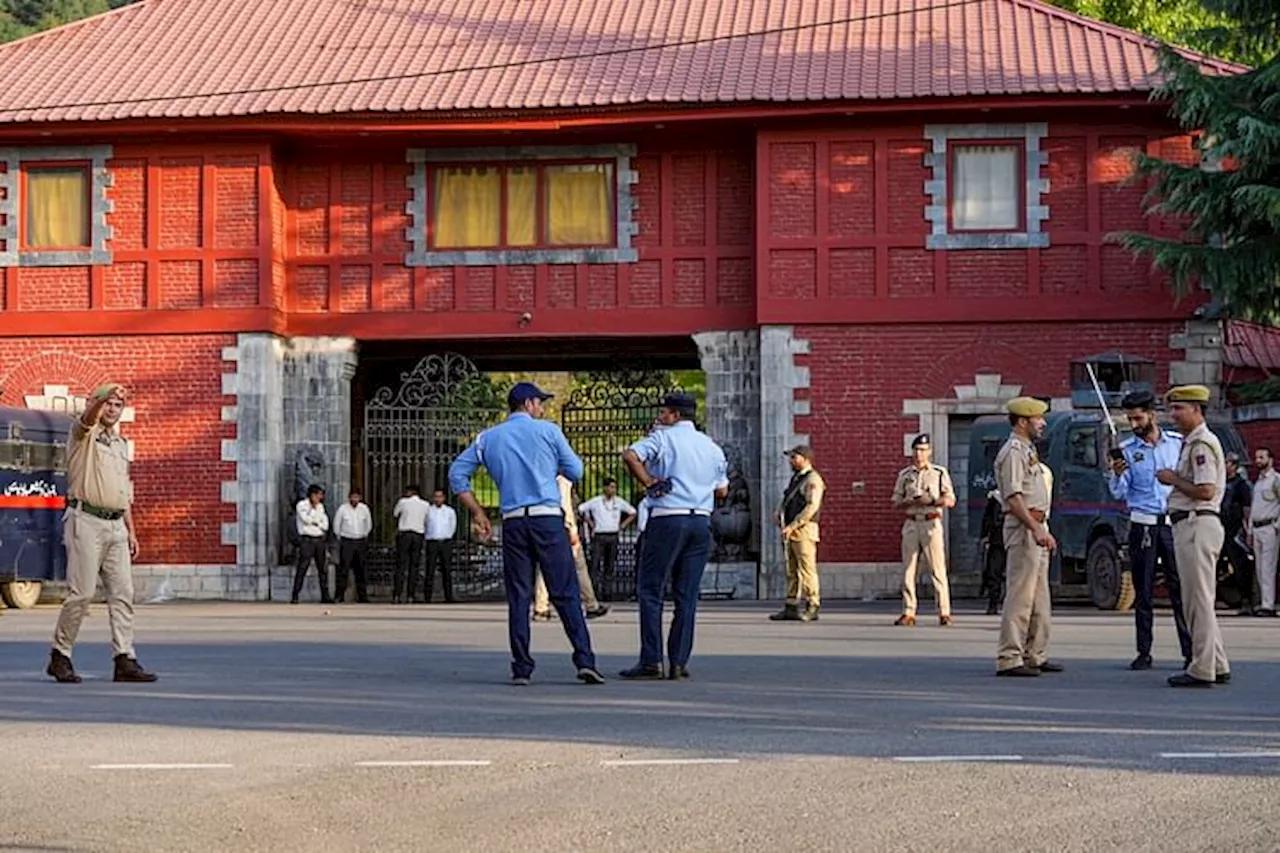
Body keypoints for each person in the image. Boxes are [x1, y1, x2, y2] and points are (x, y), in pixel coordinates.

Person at [449, 382, 604, 686]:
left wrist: (478, 512)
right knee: (565, 591)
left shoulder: (488, 438)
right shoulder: (548, 431)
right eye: (540, 403)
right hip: (547, 519)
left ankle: (522, 666)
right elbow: (576, 471)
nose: (542, 408)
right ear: (530, 403)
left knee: (519, 595)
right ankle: (585, 660)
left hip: (514, 521)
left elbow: (457, 474)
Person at [46, 383, 157, 684]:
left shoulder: (120, 444)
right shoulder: (83, 435)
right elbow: (87, 419)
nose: (111, 409)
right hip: (86, 520)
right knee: (81, 593)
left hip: (116, 525)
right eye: (107, 403)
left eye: (118, 405)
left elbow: (123, 493)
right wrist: (99, 400)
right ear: (96, 404)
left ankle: (124, 658)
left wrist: (131, 531)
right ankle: (61, 654)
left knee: (123, 593)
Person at [619, 392, 728, 680]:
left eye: (664, 412)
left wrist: (649, 480)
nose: (660, 417)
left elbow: (630, 455)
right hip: (700, 521)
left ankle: (651, 660)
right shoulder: (711, 447)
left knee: (651, 589)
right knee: (687, 594)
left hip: (668, 516)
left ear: (675, 415)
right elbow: (722, 490)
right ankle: (679, 660)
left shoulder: (662, 438)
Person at [1106, 389, 1192, 671]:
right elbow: (1119, 493)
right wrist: (1117, 473)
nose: (1134, 424)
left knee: (1180, 589)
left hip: (1172, 524)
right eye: (1130, 419)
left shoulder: (1177, 444)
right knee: (1143, 590)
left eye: (1138, 418)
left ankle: (1190, 649)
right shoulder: (1129, 450)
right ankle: (1144, 651)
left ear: (1152, 415)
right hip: (1142, 524)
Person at [1158, 384, 1231, 687]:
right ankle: (1217, 661)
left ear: (1196, 410)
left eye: (1179, 408)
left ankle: (1201, 668)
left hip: (1196, 523)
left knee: (1197, 600)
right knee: (1200, 598)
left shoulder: (1201, 444)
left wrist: (1172, 479)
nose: (1173, 415)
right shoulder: (1193, 442)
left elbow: (1206, 489)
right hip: (1192, 524)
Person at [994, 397, 1062, 677]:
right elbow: (1013, 496)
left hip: (1036, 525)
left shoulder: (1028, 450)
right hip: (1024, 528)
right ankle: (1010, 656)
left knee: (1039, 598)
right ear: (1023, 422)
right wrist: (1034, 527)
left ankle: (1034, 653)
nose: (1043, 423)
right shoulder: (1013, 451)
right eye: (1038, 418)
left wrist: (1042, 526)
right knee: (1021, 595)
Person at [891, 433, 957, 627]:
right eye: (916, 450)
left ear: (929, 452)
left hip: (931, 522)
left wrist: (933, 501)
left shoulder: (938, 473)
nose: (919, 454)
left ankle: (944, 612)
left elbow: (950, 500)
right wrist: (909, 501)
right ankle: (908, 611)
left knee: (937, 569)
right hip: (912, 522)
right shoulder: (905, 475)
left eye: (923, 450)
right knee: (909, 569)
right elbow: (895, 501)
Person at [534, 475, 610, 621]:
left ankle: (541, 606)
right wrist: (571, 527)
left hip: (547, 522)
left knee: (546, 565)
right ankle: (590, 604)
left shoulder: (544, 477)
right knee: (578, 566)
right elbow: (565, 505)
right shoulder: (563, 480)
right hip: (562, 527)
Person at [769, 444, 826, 622]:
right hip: (791, 529)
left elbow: (811, 506)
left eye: (794, 457)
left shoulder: (812, 479)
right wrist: (780, 512)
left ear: (805, 459)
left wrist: (793, 525)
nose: (791, 461)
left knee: (807, 569)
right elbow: (789, 498)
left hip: (804, 530)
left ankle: (812, 604)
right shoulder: (796, 479)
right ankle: (791, 605)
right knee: (791, 569)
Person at [579, 478, 636, 588]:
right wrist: (590, 522)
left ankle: (607, 590)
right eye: (611, 487)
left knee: (610, 564)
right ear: (605, 488)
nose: (613, 490)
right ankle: (594, 589)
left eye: (614, 487)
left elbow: (633, 512)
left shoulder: (619, 501)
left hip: (613, 535)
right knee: (595, 563)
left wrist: (623, 525)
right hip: (599, 535)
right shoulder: (596, 501)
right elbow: (581, 509)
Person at [1219, 452, 1254, 616]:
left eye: (1228, 463)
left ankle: (1246, 601)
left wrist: (1247, 530)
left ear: (1234, 465)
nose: (1225, 466)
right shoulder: (1219, 482)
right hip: (1219, 530)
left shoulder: (1241, 485)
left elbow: (1247, 508)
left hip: (1235, 532)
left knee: (1241, 568)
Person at [1247, 447, 1280, 617]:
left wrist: (1276, 526)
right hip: (1258, 527)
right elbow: (1254, 508)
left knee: (1268, 568)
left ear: (1271, 459)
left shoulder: (1276, 480)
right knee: (1260, 569)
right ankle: (1263, 602)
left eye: (1262, 457)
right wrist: (1250, 532)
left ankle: (1268, 604)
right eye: (1257, 457)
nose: (1258, 460)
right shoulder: (1259, 482)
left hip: (1269, 528)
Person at [332, 488, 372, 603]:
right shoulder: (343, 509)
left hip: (360, 541)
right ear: (349, 497)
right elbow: (337, 524)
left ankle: (362, 596)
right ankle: (339, 595)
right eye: (353, 497)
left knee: (361, 570)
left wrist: (364, 535)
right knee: (344, 569)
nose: (355, 499)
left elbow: (368, 524)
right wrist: (341, 537)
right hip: (347, 541)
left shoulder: (364, 509)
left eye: (357, 497)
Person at [293, 484, 331, 604]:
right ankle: (295, 595)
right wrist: (316, 520)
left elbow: (325, 524)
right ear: (312, 495)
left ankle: (325, 596)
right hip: (307, 539)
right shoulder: (302, 505)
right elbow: (306, 519)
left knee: (322, 569)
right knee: (302, 567)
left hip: (319, 540)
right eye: (319, 494)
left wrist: (316, 522)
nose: (320, 497)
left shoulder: (320, 507)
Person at [392, 485, 429, 604]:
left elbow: (395, 513)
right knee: (414, 566)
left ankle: (397, 594)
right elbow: (427, 520)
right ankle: (410, 595)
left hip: (405, 534)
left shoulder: (403, 502)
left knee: (401, 565)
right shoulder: (425, 505)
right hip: (418, 534)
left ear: (410, 492)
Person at [424, 489, 458, 603]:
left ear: (444, 498)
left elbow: (452, 526)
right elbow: (425, 524)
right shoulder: (428, 511)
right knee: (430, 570)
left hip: (445, 542)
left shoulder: (449, 511)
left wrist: (448, 536)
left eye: (440, 497)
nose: (438, 499)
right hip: (432, 541)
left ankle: (449, 596)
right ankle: (427, 596)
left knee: (446, 570)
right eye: (436, 497)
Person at [979, 488, 1006, 616]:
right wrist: (985, 536)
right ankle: (993, 604)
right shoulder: (995, 497)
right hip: (997, 539)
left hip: (1016, 538)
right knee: (994, 573)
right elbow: (988, 518)